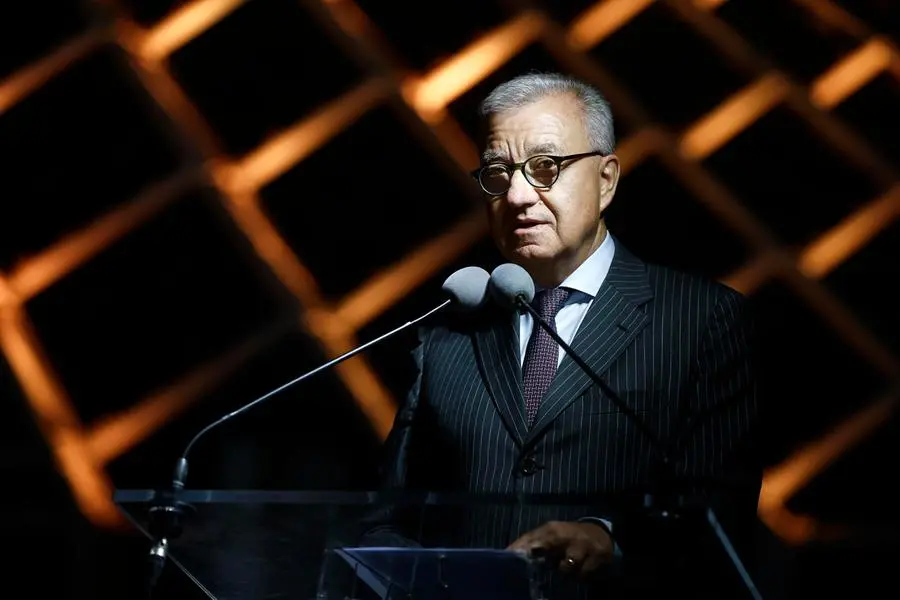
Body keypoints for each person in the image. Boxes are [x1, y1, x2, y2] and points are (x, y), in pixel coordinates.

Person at [356, 72, 762, 598]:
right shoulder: (447, 332)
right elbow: (391, 517)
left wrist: (611, 540)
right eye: (498, 174)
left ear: (606, 180)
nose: (517, 196)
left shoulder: (701, 320)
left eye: (545, 167)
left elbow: (721, 511)